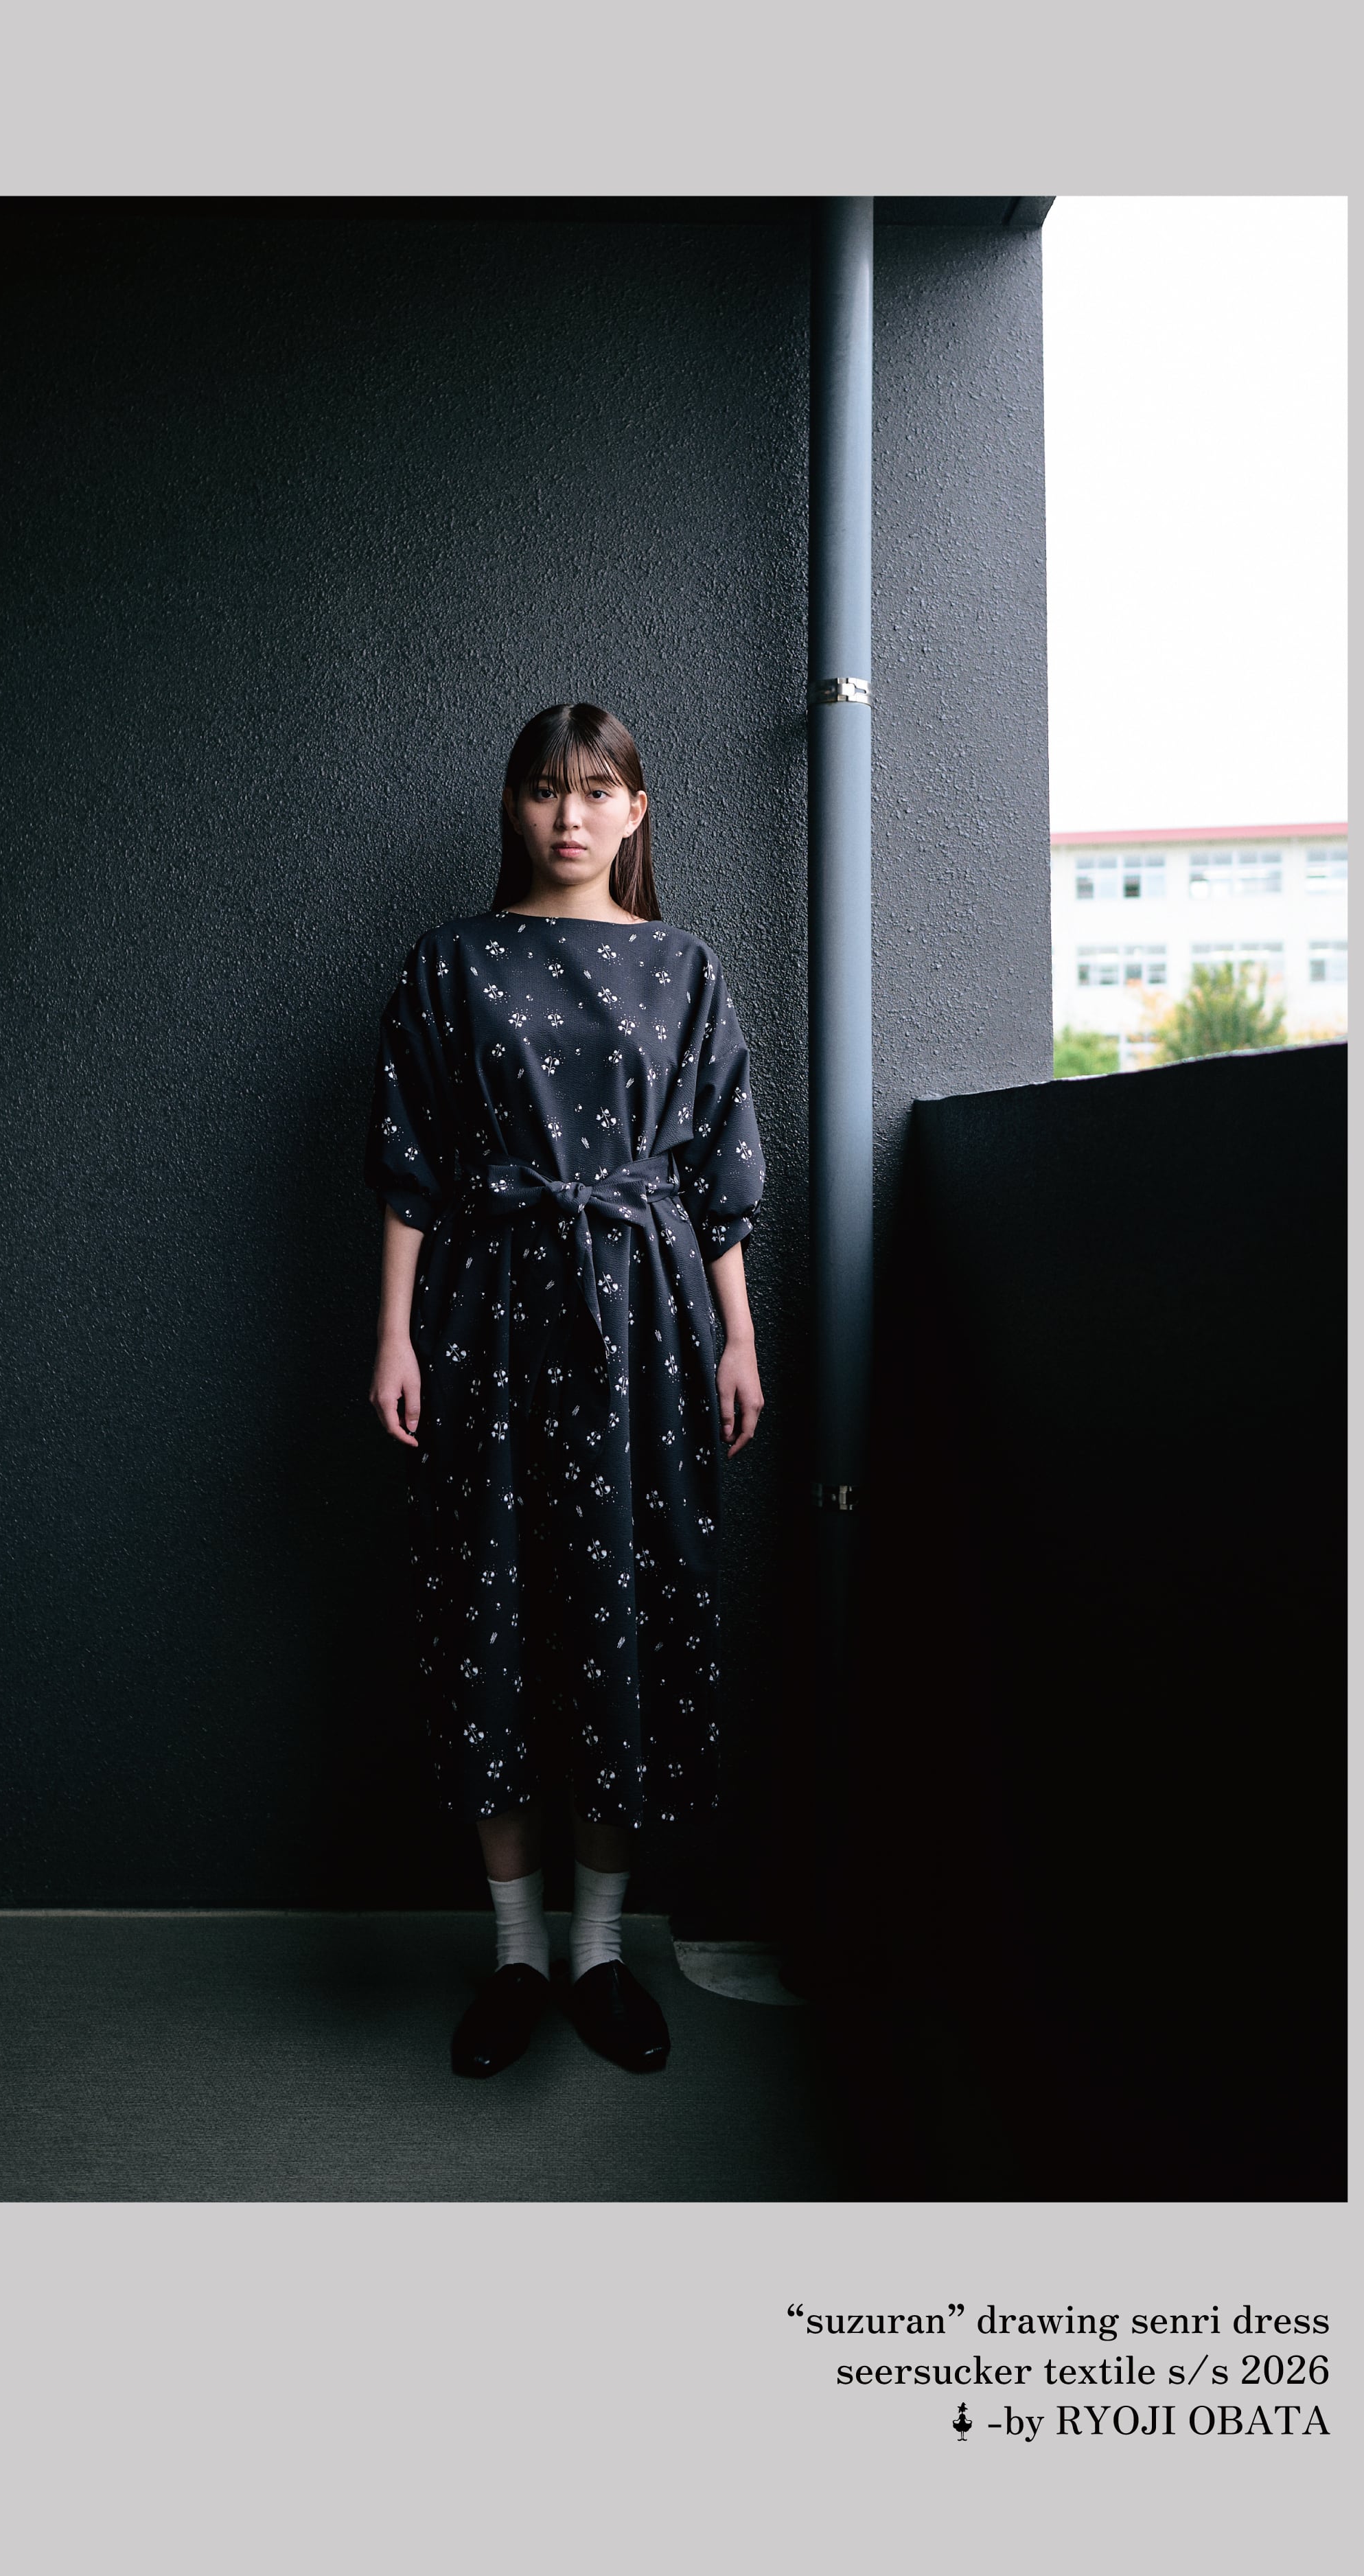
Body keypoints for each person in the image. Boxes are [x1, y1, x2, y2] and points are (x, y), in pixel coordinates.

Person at [365, 702, 766, 2080]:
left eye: (597, 790)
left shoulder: (685, 967)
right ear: (513, 804)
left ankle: (597, 1951)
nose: (570, 814)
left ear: (636, 810)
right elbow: (409, 1163)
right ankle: (514, 1956)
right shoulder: (450, 963)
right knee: (488, 1614)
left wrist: (738, 1340)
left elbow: (718, 1177)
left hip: (646, 1322)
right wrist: (394, 1338)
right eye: (545, 788)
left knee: (624, 1615)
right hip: (484, 1313)